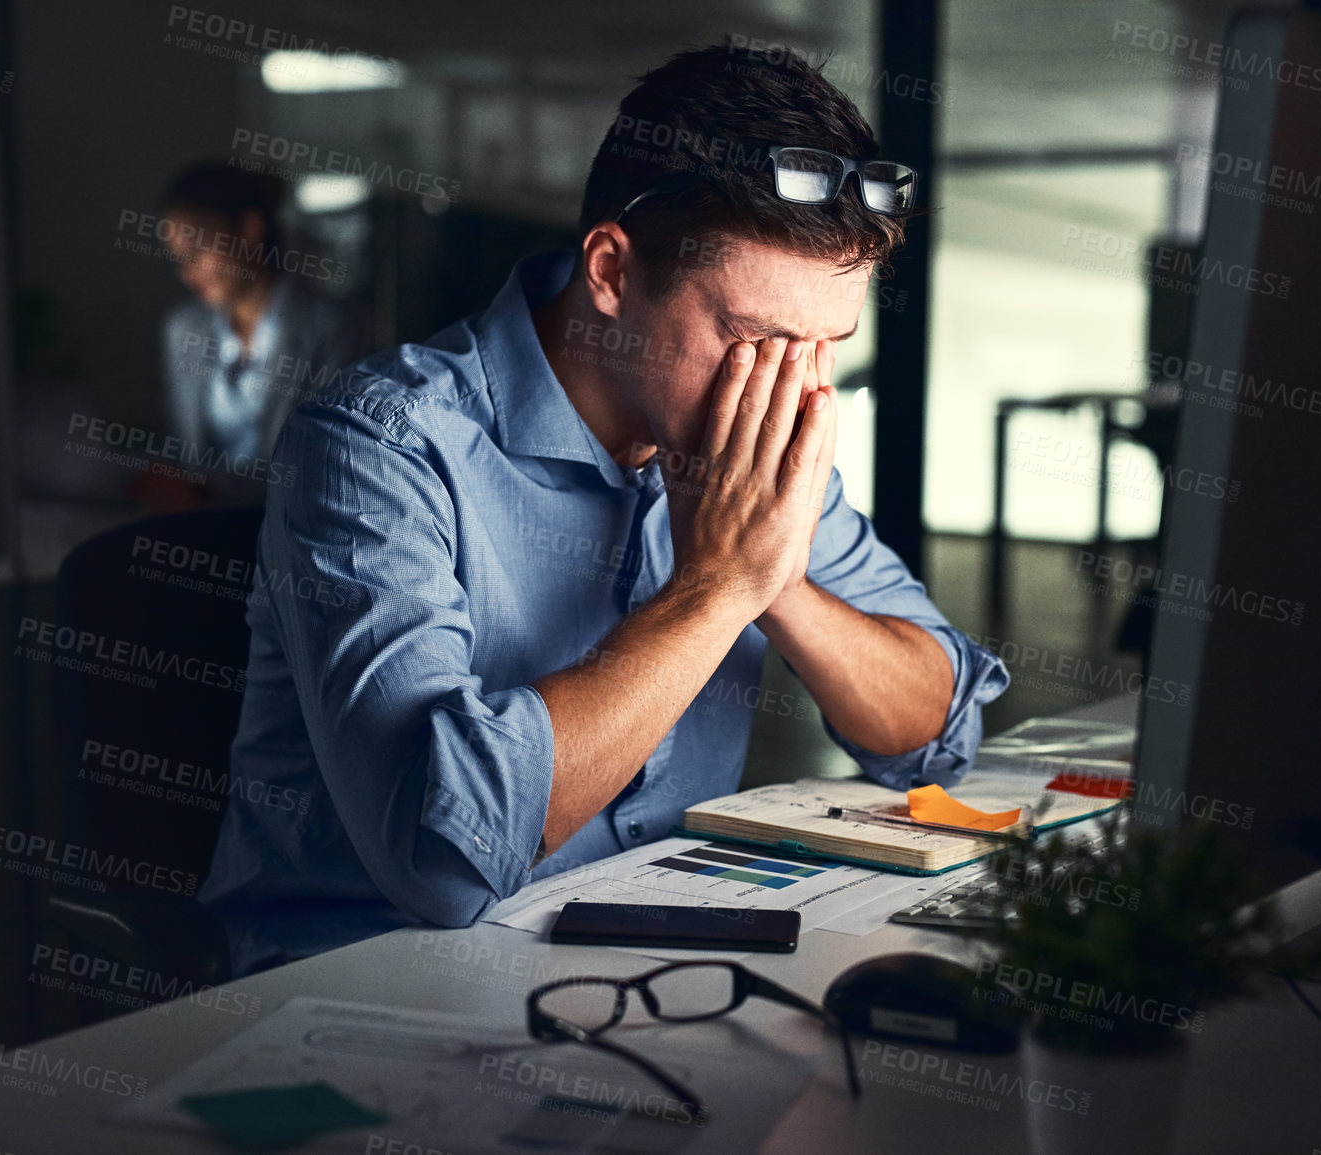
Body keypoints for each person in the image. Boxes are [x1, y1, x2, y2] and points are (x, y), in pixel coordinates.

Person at [199, 44, 1009, 975]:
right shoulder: (376, 443)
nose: (790, 392)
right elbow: (441, 865)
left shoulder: (747, 445)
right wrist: (715, 588)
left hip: (637, 972)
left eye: (827, 347)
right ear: (612, 273)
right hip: (355, 991)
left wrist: (775, 580)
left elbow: (939, 738)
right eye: (753, 340)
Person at [155, 162, 352, 504]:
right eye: (178, 259)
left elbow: (321, 465)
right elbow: (183, 449)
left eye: (197, 252)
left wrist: (210, 490)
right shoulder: (182, 328)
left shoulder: (331, 328)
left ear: (249, 230)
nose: (187, 272)